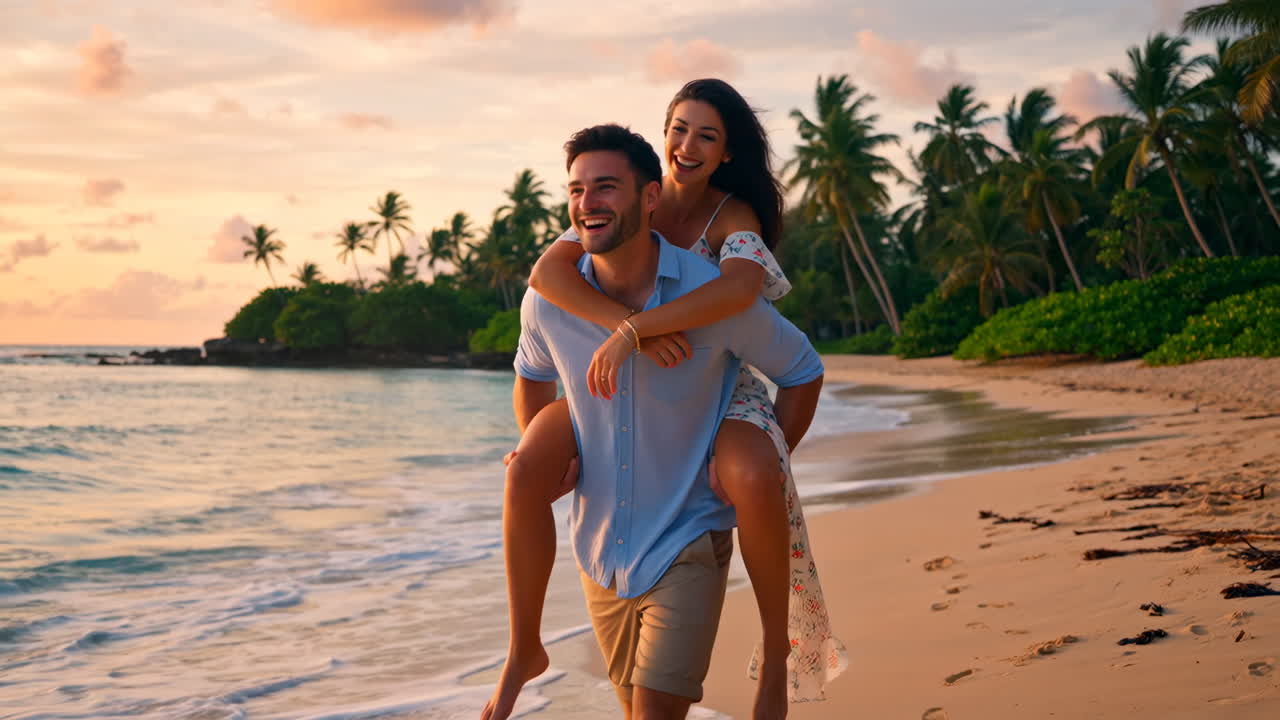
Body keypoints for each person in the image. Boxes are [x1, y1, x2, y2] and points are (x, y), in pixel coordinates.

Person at [484, 81, 845, 720]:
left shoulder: (728, 223)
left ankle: (776, 650)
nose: (687, 145)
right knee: (524, 463)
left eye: (707, 135)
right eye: (678, 128)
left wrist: (638, 330)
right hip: (606, 532)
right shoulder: (580, 252)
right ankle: (522, 646)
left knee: (755, 471)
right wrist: (564, 446)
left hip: (716, 395)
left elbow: (743, 303)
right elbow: (542, 294)